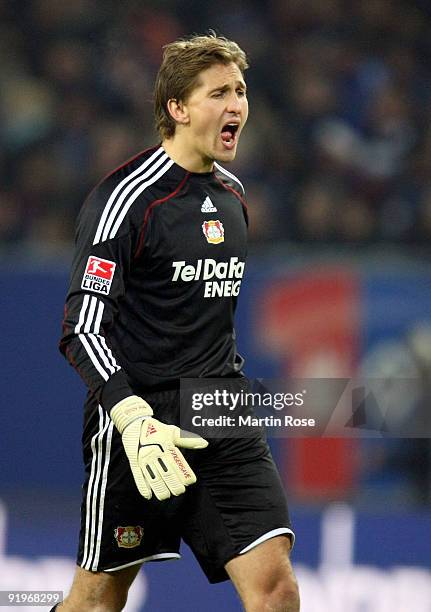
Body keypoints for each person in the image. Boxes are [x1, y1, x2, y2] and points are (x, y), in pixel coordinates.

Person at [56, 33, 299, 612]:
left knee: (276, 588)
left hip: (223, 410)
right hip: (142, 425)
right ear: (177, 108)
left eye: (241, 91)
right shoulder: (125, 200)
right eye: (218, 93)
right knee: (98, 600)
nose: (237, 104)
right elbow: (81, 329)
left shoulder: (234, 196)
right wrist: (131, 415)